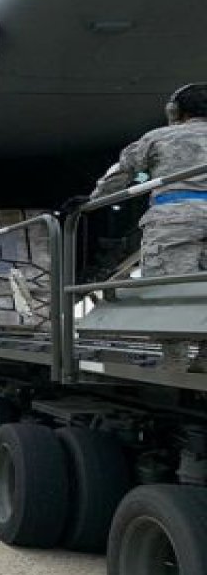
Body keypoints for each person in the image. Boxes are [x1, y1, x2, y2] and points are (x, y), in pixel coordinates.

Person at [91, 82, 207, 372]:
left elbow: (120, 174)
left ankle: (176, 363)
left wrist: (90, 202)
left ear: (175, 111)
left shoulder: (158, 138)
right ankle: (204, 358)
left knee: (168, 291)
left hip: (175, 220)